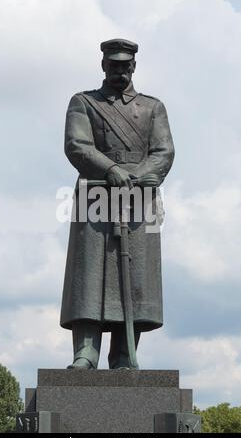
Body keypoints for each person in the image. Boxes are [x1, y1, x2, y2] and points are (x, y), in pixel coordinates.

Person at [60, 39, 175, 369]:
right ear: (103, 65)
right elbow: (77, 145)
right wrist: (110, 169)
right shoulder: (83, 102)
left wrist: (136, 176)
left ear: (134, 67)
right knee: (89, 276)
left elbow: (164, 152)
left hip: (140, 198)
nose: (119, 71)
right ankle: (85, 352)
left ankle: (124, 355)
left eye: (125, 66)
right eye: (114, 65)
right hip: (96, 191)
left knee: (136, 277)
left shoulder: (154, 108)